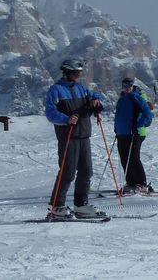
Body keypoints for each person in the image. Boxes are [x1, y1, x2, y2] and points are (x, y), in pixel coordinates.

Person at [44, 58, 106, 219]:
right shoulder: (56, 90)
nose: (79, 76)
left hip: (84, 135)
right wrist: (65, 119)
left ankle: (81, 205)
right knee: (68, 172)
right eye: (76, 73)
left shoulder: (81, 89)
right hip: (68, 136)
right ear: (68, 73)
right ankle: (56, 206)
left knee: (86, 171)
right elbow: (50, 113)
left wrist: (95, 100)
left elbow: (96, 95)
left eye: (79, 73)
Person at [114, 77, 154, 195]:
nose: (126, 88)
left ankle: (141, 184)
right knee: (124, 159)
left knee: (134, 159)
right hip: (121, 134)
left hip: (132, 134)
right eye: (124, 86)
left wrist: (137, 125)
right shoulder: (122, 99)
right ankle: (131, 183)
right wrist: (116, 128)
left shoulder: (136, 97)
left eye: (129, 86)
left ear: (132, 86)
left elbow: (147, 114)